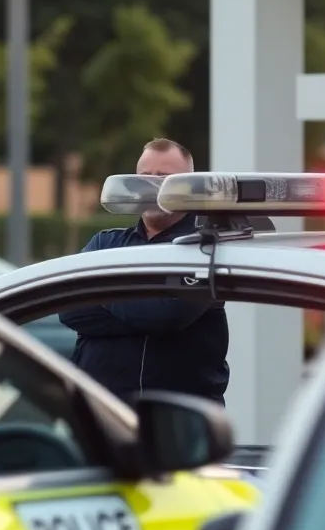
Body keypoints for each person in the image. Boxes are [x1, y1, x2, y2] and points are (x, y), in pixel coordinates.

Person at [59, 138, 229, 404]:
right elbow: (69, 309)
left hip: (177, 423)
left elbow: (165, 316)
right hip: (100, 417)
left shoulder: (204, 248)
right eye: (144, 177)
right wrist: (144, 307)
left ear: (190, 185)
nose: (152, 186)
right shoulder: (105, 243)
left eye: (164, 178)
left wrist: (100, 288)